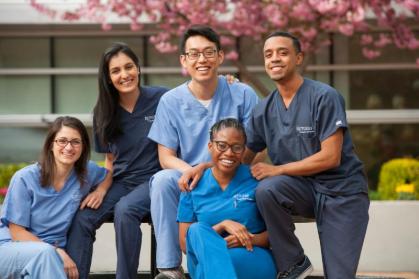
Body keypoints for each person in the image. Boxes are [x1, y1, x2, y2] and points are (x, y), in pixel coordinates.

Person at [243, 31, 370, 278]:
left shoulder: (324, 96)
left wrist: (276, 169)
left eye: (282, 52)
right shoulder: (264, 109)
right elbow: (244, 155)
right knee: (267, 190)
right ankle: (293, 262)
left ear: (299, 58)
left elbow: (330, 157)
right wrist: (208, 170)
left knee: (339, 275)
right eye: (268, 54)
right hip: (301, 190)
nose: (274, 59)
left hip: (341, 193)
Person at [148, 25, 259, 279]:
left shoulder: (242, 93)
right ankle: (169, 269)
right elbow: (165, 157)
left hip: (234, 175)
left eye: (208, 52)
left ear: (220, 57)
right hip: (190, 178)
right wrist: (192, 170)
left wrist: (208, 167)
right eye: (194, 54)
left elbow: (256, 148)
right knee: (163, 180)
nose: (202, 60)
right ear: (183, 61)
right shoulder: (171, 101)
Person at [66, 42, 168, 279]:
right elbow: (110, 161)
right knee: (83, 218)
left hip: (155, 180)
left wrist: (226, 83)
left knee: (125, 210)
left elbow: (193, 95)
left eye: (129, 67)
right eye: (116, 71)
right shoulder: (103, 111)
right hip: (121, 181)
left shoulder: (162, 98)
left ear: (138, 69)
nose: (124, 75)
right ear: (108, 77)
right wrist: (101, 189)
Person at [0, 116, 109, 279]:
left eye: (75, 142)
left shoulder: (87, 172)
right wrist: (56, 250)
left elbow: (108, 175)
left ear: (83, 146)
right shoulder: (25, 178)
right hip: (11, 249)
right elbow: (17, 232)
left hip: (48, 256)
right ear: (51, 144)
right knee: (45, 256)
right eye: (62, 141)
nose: (69, 147)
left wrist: (100, 190)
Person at [177, 118, 276, 279]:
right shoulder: (193, 185)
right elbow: (184, 243)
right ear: (210, 146)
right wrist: (222, 226)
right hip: (205, 259)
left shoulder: (257, 180)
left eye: (236, 147)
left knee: (212, 266)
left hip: (251, 254)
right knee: (196, 230)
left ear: (243, 151)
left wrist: (247, 239)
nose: (229, 153)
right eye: (222, 145)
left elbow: (276, 234)